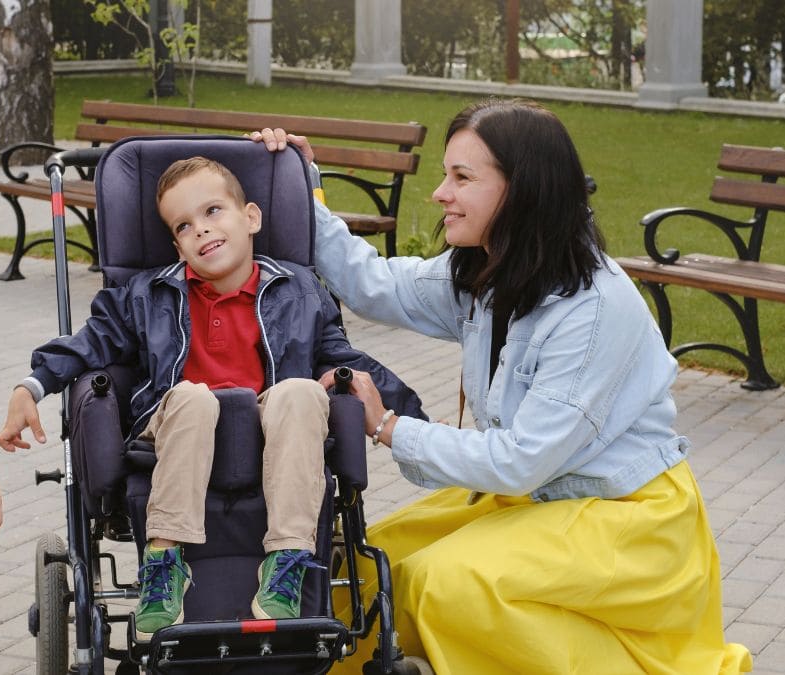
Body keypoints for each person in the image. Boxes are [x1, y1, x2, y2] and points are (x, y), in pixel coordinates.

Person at [251, 100, 752, 674]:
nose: (440, 193)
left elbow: (520, 462)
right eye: (447, 174)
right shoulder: (490, 269)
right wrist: (298, 185)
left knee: (449, 584)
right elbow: (373, 285)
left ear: (523, 192)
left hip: (624, 517)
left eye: (462, 178)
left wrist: (388, 425)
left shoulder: (593, 309)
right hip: (534, 500)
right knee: (364, 570)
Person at [0, 156, 423, 639]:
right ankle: (164, 562)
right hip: (177, 423)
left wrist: (410, 420)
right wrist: (30, 386)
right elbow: (89, 344)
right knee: (194, 398)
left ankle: (287, 561)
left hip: (269, 431)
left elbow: (346, 358)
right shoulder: (147, 295)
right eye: (184, 225)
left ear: (252, 218)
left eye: (213, 211)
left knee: (302, 392)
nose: (201, 230)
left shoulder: (299, 290)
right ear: (176, 244)